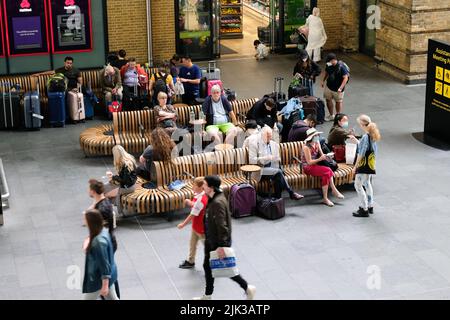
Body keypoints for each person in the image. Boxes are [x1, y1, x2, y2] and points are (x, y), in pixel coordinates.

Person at [194, 175, 256, 300]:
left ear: (211, 187)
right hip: (211, 239)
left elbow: (222, 226)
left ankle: (247, 287)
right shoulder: (213, 197)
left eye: (204, 184)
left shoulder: (217, 202)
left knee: (227, 269)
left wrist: (222, 246)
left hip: (217, 242)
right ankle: (208, 295)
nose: (203, 186)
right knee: (208, 266)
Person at [85, 179, 120, 299]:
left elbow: (100, 228)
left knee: (105, 267)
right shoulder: (102, 202)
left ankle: (104, 286)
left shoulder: (102, 209)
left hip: (107, 242)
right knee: (108, 271)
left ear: (93, 191)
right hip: (109, 240)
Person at [249, 126, 304, 200]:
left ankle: (277, 198)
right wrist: (265, 158)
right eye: (268, 137)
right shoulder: (254, 144)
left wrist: (277, 158)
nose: (269, 139)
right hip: (260, 170)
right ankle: (291, 193)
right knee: (278, 172)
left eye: (270, 137)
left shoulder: (273, 144)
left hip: (272, 167)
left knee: (278, 174)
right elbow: (252, 160)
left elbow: (278, 158)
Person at [301, 128, 345, 207]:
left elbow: (321, 155)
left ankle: (327, 197)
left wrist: (328, 156)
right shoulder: (306, 147)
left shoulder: (317, 143)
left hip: (315, 164)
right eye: (316, 135)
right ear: (311, 137)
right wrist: (320, 159)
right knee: (327, 170)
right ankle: (332, 192)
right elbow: (309, 162)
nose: (318, 136)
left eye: (318, 135)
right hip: (307, 167)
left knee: (327, 172)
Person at [82, 210, 119, 300]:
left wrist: (105, 285)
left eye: (85, 219)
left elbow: (104, 264)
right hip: (109, 275)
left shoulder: (98, 242)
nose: (83, 221)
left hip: (98, 280)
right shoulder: (103, 232)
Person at [352, 115, 381, 218]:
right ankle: (370, 205)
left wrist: (355, 166)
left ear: (362, 124)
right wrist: (356, 141)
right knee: (367, 183)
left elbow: (362, 153)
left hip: (363, 165)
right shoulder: (372, 134)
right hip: (370, 165)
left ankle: (364, 209)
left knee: (358, 185)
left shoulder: (365, 136)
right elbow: (369, 148)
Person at [177, 177, 208, 269]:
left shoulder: (201, 199)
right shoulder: (199, 195)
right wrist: (189, 202)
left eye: (194, 185)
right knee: (192, 244)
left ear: (201, 187)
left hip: (201, 229)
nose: (192, 187)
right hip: (196, 227)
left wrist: (183, 224)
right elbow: (195, 206)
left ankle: (215, 262)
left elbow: (193, 214)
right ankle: (191, 261)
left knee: (208, 248)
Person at [104, 145, 137, 216]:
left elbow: (125, 181)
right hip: (132, 184)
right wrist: (114, 177)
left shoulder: (126, 165)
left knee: (107, 194)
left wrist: (113, 176)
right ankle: (115, 206)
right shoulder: (130, 159)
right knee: (106, 187)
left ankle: (117, 211)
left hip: (128, 187)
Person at [321, 53, 349, 121]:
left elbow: (345, 78)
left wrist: (340, 88)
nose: (328, 63)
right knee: (328, 100)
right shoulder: (328, 65)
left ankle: (338, 116)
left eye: (329, 61)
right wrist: (323, 80)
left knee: (338, 102)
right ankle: (331, 115)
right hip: (329, 86)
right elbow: (326, 72)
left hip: (338, 89)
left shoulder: (341, 67)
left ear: (333, 60)